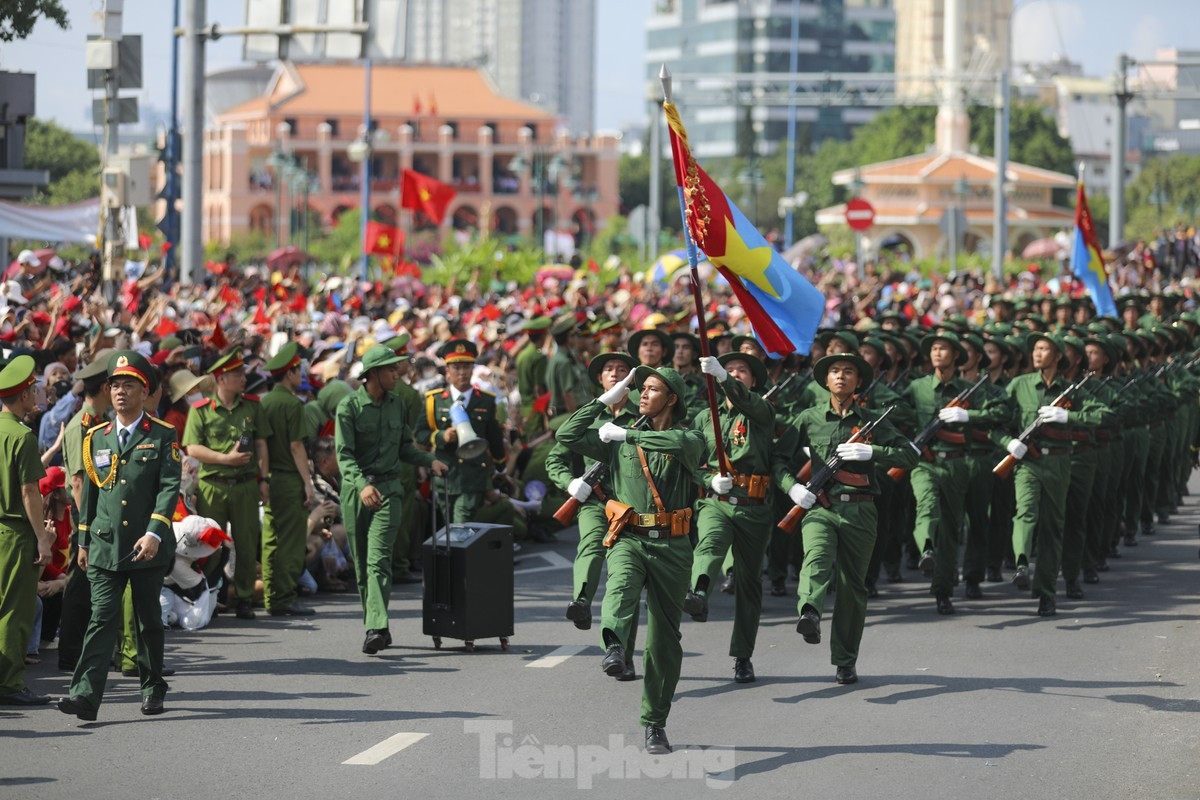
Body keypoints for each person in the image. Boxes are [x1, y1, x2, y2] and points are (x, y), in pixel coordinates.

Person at [556, 364, 704, 756]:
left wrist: (627, 434)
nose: (643, 394)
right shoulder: (615, 437)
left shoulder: (688, 438)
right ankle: (615, 647)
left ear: (671, 399)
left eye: (653, 389)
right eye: (642, 388)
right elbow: (566, 435)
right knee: (619, 587)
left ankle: (655, 722)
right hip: (629, 537)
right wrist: (605, 399)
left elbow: (679, 443)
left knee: (664, 640)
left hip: (673, 545)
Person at [775, 353, 916, 685]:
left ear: (859, 381)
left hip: (860, 509)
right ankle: (810, 612)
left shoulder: (872, 420)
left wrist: (874, 451)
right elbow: (778, 458)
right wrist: (792, 487)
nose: (840, 376)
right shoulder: (809, 418)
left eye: (848, 371)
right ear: (825, 381)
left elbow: (910, 454)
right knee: (817, 557)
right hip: (820, 508)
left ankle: (845, 659)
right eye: (834, 371)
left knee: (853, 586)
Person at [58, 351, 181, 720]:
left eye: (129, 385)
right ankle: (84, 695)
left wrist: (155, 533)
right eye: (115, 386)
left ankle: (152, 686)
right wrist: (83, 542)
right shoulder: (96, 437)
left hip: (147, 545)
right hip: (105, 545)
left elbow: (169, 487)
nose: (120, 392)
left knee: (148, 620)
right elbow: (91, 495)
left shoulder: (162, 435)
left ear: (145, 392)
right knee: (102, 618)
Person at [335, 345, 447, 655]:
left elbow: (404, 449)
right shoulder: (349, 407)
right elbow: (344, 456)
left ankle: (375, 627)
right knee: (362, 566)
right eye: (390, 369)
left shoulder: (398, 404)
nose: (396, 374)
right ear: (373, 374)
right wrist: (361, 485)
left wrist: (429, 460)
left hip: (388, 490)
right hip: (356, 492)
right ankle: (378, 626)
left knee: (378, 560)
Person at [682, 351, 774, 684]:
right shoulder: (704, 417)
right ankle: (699, 593)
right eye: (729, 369)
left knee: (749, 583)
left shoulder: (762, 411)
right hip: (717, 501)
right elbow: (691, 463)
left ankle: (743, 656)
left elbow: (750, 404)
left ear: (754, 380)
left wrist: (722, 376)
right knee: (710, 542)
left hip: (753, 507)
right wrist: (708, 480)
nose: (735, 374)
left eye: (742, 370)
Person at [1000, 332, 1104, 617]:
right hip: (1028, 464)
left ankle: (1046, 593)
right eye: (1035, 348)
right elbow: (995, 417)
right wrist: (1007, 442)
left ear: (1058, 356)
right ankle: (1022, 564)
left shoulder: (1071, 390)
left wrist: (1069, 416)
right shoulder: (1019, 385)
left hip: (1058, 463)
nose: (1037, 353)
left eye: (1044, 348)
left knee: (1052, 528)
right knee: (1025, 511)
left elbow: (1103, 414)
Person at [545, 352, 639, 637]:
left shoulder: (642, 414)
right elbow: (555, 459)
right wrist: (570, 483)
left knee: (627, 570)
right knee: (590, 544)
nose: (615, 373)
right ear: (600, 379)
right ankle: (582, 601)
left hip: (634, 503)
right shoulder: (588, 416)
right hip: (597, 500)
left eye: (621, 369)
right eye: (608, 369)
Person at [182, 351, 272, 620]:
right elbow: (192, 448)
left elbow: (261, 445)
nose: (243, 379)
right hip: (213, 485)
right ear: (221, 379)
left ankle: (244, 598)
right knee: (209, 545)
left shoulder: (252, 407)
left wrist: (264, 479)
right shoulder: (201, 410)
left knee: (246, 543)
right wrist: (226, 459)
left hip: (245, 484)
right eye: (237, 375)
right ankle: (207, 596)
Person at [0, 355, 51, 706]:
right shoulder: (22, 436)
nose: (35, 395)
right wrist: (43, 540)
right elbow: (30, 492)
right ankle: (9, 683)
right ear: (22, 395)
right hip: (16, 533)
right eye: (32, 390)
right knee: (15, 611)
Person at [416, 340, 507, 523]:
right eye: (456, 368)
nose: (462, 372)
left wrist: (500, 465)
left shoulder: (486, 401)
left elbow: (494, 436)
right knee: (450, 527)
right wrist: (442, 436)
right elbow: (420, 434)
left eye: (466, 367)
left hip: (473, 475)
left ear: (473, 369)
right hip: (445, 477)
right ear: (447, 371)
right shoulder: (434, 401)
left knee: (461, 523)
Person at [259, 342, 317, 616]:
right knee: (291, 542)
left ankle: (271, 595)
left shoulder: (263, 402)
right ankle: (283, 597)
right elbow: (296, 446)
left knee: (271, 539)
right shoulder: (293, 404)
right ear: (289, 373)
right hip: (289, 479)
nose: (300, 376)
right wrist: (308, 482)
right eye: (298, 371)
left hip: (268, 478)